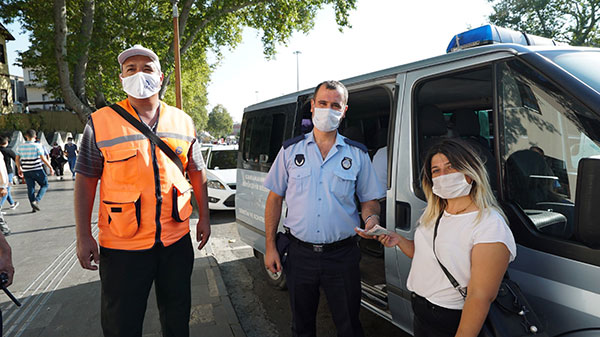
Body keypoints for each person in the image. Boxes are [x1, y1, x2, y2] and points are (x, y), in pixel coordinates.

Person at [74, 44, 210, 337]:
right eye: (130, 69)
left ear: (161, 77)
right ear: (121, 78)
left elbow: (197, 172)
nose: (139, 74)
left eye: (147, 68)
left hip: (175, 242)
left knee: (177, 320)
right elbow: (85, 179)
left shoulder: (183, 121)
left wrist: (206, 219)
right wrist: (83, 235)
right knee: (121, 325)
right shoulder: (100, 123)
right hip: (122, 247)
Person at [358, 139, 516, 336]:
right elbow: (426, 255)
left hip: (451, 319)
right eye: (436, 171)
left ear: (470, 173)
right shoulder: (435, 214)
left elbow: (480, 296)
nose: (443, 176)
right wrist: (397, 240)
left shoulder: (490, 225)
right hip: (422, 311)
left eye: (451, 168)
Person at [264, 80, 384, 337]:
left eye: (335, 105)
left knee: (350, 326)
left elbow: (369, 201)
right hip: (298, 254)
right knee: (302, 327)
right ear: (312, 106)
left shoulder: (357, 154)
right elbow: (274, 199)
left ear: (344, 110)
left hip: (342, 256)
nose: (328, 110)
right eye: (323, 103)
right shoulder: (289, 151)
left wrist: (372, 220)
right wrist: (270, 247)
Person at [16, 129, 54, 212]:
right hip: (37, 169)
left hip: (26, 170)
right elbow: (43, 158)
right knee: (45, 185)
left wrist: (19, 168)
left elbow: (17, 159)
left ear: (26, 136)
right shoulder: (37, 146)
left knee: (30, 188)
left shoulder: (20, 146)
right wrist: (50, 167)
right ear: (35, 136)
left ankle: (33, 206)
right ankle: (36, 201)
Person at [0, 137, 19, 211]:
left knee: (4, 189)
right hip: (8, 172)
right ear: (6, 142)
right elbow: (16, 159)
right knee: (6, 190)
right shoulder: (8, 151)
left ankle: (12, 203)